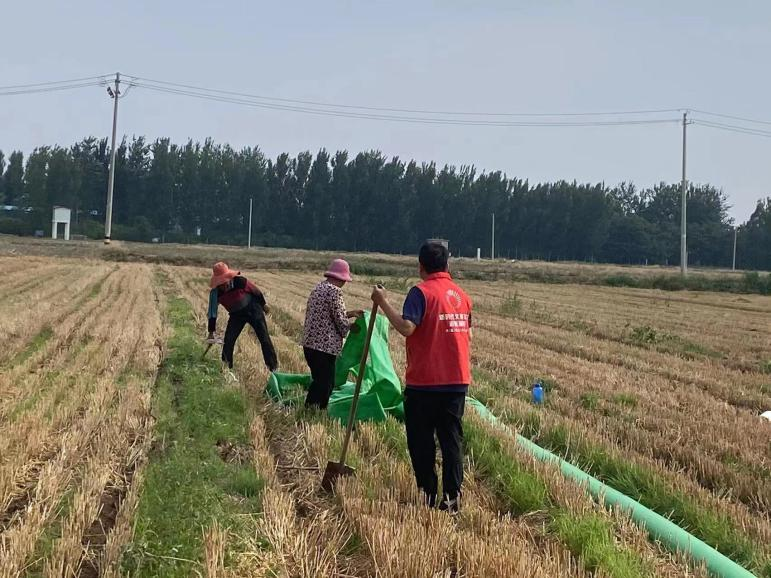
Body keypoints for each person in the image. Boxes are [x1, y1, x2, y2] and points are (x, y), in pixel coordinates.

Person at [371, 242, 472, 514]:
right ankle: (452, 499)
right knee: (451, 441)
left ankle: (427, 495)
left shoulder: (420, 292)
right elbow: (466, 333)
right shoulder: (462, 295)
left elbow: (406, 327)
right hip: (457, 381)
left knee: (421, 441)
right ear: (447, 265)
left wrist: (382, 303)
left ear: (421, 266)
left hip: (426, 382)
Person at [302, 259, 363, 409]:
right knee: (325, 383)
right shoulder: (335, 292)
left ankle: (313, 410)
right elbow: (340, 321)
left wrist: (350, 313)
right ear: (340, 278)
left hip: (310, 344)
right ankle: (313, 410)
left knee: (319, 380)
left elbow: (327, 315)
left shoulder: (319, 288)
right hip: (324, 347)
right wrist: (351, 327)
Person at [207, 262, 278, 376]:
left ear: (229, 277)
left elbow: (256, 291)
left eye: (225, 281)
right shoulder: (215, 293)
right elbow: (212, 312)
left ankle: (273, 369)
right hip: (236, 315)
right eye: (220, 283)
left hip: (253, 309)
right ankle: (226, 368)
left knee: (264, 338)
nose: (224, 285)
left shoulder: (240, 282)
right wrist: (211, 331)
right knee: (229, 340)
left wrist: (264, 305)